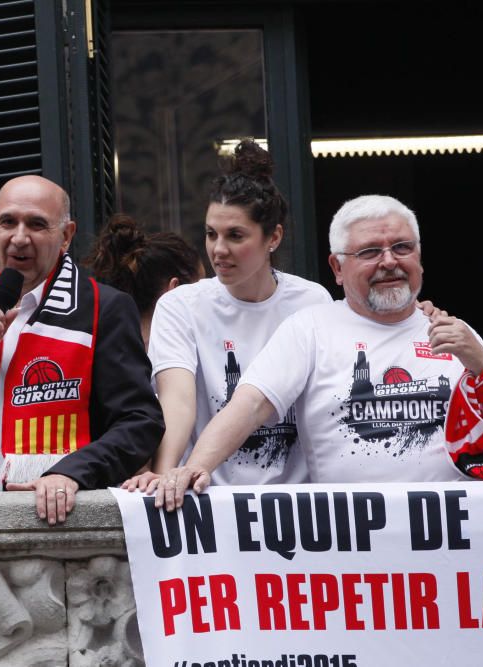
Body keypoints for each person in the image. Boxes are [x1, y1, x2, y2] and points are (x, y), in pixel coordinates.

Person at [153, 194, 483, 510]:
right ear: (337, 268)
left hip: (451, 545)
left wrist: (481, 360)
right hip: (347, 550)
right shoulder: (310, 328)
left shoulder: (455, 333)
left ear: (419, 257)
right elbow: (249, 405)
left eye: (402, 247)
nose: (389, 261)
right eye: (370, 252)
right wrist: (193, 468)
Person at [0, 175, 164, 525]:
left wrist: (71, 473)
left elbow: (140, 423)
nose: (20, 237)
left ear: (66, 236)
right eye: (8, 222)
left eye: (37, 224)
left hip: (57, 517)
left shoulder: (103, 307)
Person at [124, 140, 331, 493]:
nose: (219, 250)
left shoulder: (313, 301)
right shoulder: (181, 305)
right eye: (210, 234)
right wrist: (165, 472)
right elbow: (176, 399)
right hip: (209, 495)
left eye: (235, 236)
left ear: (273, 237)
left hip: (295, 500)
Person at [84, 213, 204, 349]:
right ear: (174, 291)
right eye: (199, 290)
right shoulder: (183, 356)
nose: (207, 298)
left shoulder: (106, 351)